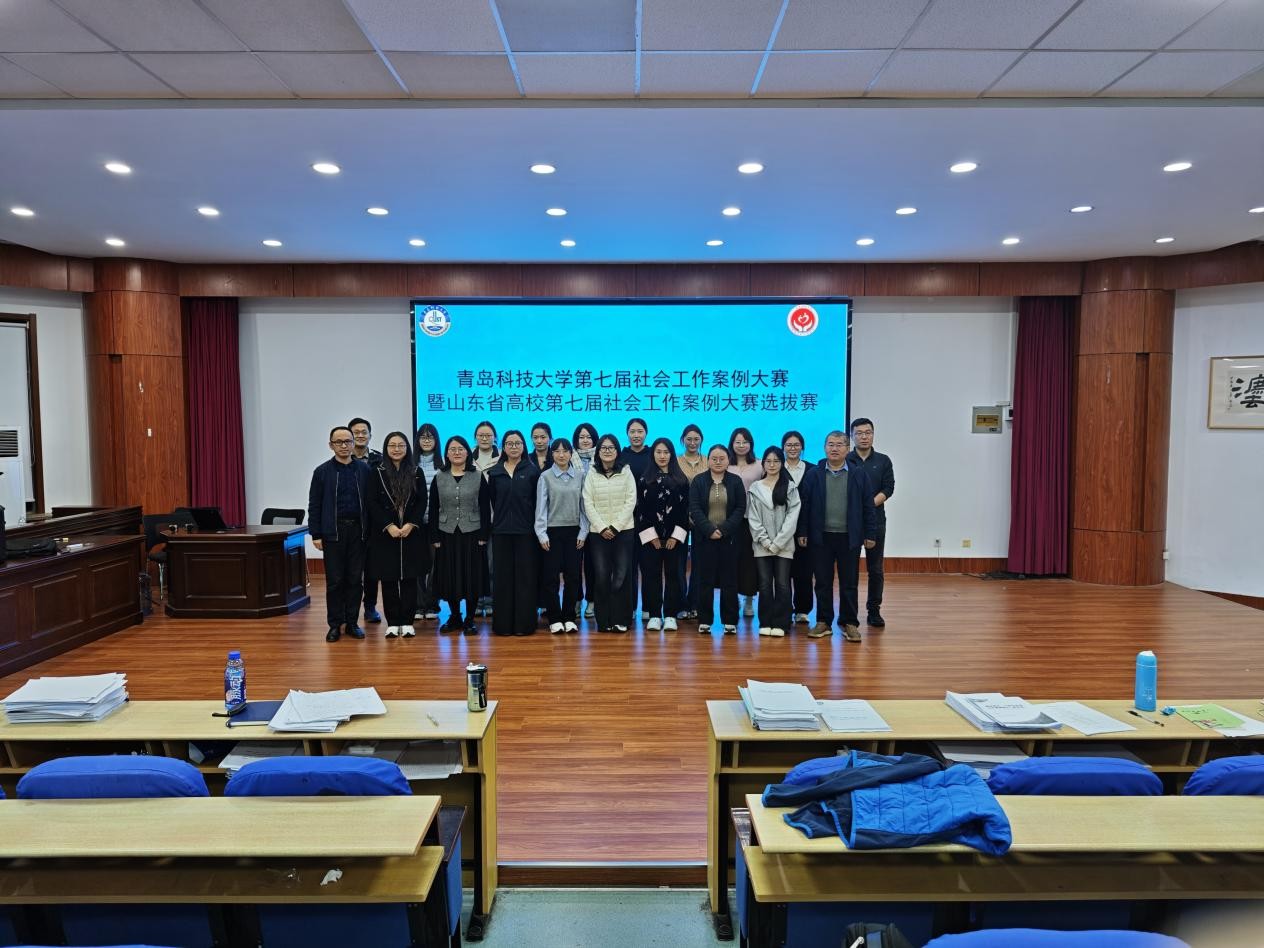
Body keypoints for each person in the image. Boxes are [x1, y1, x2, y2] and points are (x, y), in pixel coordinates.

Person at [798, 431, 877, 642]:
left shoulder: (859, 474)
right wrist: (803, 531)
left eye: (839, 445)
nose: (835, 448)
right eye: (831, 444)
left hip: (849, 537)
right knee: (822, 582)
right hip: (820, 537)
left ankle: (849, 622)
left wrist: (870, 533)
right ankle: (823, 621)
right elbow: (805, 505)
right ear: (824, 448)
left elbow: (868, 507)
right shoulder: (814, 474)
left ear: (847, 449)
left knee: (849, 582)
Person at [307, 426, 370, 642]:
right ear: (331, 445)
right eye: (339, 442)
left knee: (355, 579)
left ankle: (352, 622)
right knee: (335, 581)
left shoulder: (364, 470)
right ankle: (335, 624)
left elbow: (371, 503)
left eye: (348, 441)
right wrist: (315, 533)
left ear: (353, 444)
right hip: (332, 532)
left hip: (359, 531)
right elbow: (314, 505)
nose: (344, 446)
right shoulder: (322, 472)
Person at [366, 431, 429, 638]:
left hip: (411, 532)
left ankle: (407, 621)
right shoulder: (376, 472)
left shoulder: (416, 471)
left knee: (410, 578)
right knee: (389, 579)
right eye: (392, 445)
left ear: (407, 448)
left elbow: (422, 501)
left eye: (401, 445)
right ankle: (393, 622)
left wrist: (411, 524)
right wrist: (388, 525)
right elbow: (372, 502)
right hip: (386, 534)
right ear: (386, 448)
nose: (396, 449)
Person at [429, 435, 489, 635]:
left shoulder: (477, 476)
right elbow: (434, 507)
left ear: (467, 452)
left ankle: (470, 619)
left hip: (472, 534)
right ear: (446, 454)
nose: (456, 452)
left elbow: (484, 507)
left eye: (461, 449)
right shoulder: (439, 476)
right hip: (446, 534)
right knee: (449, 576)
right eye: (452, 449)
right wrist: (434, 536)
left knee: (471, 576)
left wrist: (484, 534)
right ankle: (455, 616)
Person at [486, 430, 541, 636]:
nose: (514, 447)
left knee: (525, 578)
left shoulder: (532, 471)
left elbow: (537, 502)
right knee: (502, 578)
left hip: (526, 532)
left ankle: (524, 625)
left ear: (524, 446)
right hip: (501, 531)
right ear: (503, 447)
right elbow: (493, 500)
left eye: (518, 443)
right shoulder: (495, 472)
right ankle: (503, 625)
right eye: (510, 443)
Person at [688, 444, 746, 634]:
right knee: (705, 581)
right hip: (704, 539)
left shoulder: (735, 481)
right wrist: (709, 530)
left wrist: (724, 530)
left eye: (722, 458)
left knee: (730, 581)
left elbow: (740, 508)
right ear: (708, 460)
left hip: (729, 539)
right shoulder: (699, 481)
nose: (718, 462)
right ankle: (705, 620)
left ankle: (730, 621)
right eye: (714, 458)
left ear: (728, 460)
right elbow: (695, 508)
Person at [581, 434, 637, 633]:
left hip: (624, 531)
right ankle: (604, 620)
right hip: (598, 533)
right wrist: (602, 527)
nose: (607, 451)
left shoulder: (626, 472)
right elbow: (587, 502)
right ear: (598, 452)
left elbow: (631, 501)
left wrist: (615, 527)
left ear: (617, 451)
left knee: (622, 575)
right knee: (602, 576)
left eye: (611, 447)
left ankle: (621, 619)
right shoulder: (591, 473)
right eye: (603, 448)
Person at [636, 437, 689, 631]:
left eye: (666, 452)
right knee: (651, 576)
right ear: (653, 455)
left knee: (674, 575)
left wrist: (676, 536)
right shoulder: (644, 480)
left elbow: (686, 511)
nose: (662, 456)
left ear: (672, 455)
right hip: (651, 539)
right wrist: (651, 536)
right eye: (658, 452)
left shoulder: (681, 480)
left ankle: (671, 615)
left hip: (675, 539)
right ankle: (655, 615)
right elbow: (640, 511)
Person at [535, 437, 588, 634]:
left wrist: (584, 531)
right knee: (551, 578)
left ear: (571, 454)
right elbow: (541, 507)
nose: (561, 455)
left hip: (574, 532)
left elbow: (584, 507)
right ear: (552, 454)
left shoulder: (580, 476)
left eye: (565, 451)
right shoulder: (545, 477)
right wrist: (541, 534)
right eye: (557, 451)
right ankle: (555, 618)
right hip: (552, 532)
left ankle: (569, 617)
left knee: (573, 576)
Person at [747, 446, 801, 637]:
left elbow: (792, 517)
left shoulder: (790, 487)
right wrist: (764, 540)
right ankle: (765, 622)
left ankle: (781, 623)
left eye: (776, 461)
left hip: (784, 545)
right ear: (763, 464)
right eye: (768, 461)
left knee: (783, 584)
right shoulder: (755, 488)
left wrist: (778, 543)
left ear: (781, 463)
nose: (772, 465)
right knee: (764, 584)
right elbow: (753, 518)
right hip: (762, 545)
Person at [847, 417, 895, 628]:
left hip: (875, 521)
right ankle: (849, 613)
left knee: (875, 569)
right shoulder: (846, 460)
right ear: (852, 436)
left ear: (873, 435)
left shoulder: (883, 460)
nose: (864, 437)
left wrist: (867, 505)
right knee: (850, 569)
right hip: (850, 522)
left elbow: (889, 488)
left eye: (868, 433)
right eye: (859, 433)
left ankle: (874, 610)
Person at [349, 416, 384, 625]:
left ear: (370, 436)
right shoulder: (343, 459)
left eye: (364, 432)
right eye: (356, 432)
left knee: (371, 569)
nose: (360, 435)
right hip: (351, 521)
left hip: (374, 522)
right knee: (351, 570)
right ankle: (348, 609)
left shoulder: (379, 460)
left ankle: (370, 607)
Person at [781, 429, 814, 625]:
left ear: (802, 447)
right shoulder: (776, 468)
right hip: (781, 528)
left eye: (796, 445)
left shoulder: (813, 469)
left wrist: (805, 529)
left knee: (804, 571)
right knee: (783, 572)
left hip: (805, 528)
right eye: (789, 445)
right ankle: (785, 608)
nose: (792, 448)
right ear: (783, 447)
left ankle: (802, 610)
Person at [728, 426, 761, 618]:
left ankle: (749, 599)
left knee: (750, 561)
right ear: (732, 444)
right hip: (730, 520)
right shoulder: (726, 464)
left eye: (745, 442)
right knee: (732, 560)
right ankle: (733, 597)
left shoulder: (760, 465)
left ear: (751, 444)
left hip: (752, 519)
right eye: (737, 442)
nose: (741, 445)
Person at [414, 423, 443, 621]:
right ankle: (418, 605)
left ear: (436, 441)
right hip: (415, 523)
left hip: (437, 523)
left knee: (435, 566)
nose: (426, 440)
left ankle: (432, 603)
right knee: (416, 565)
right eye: (423, 437)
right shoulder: (410, 465)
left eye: (430, 437)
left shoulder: (443, 465)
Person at [676, 424, 705, 620]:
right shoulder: (676, 461)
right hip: (679, 518)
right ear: (683, 440)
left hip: (703, 518)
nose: (692, 442)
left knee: (700, 562)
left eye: (696, 439)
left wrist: (699, 516)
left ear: (701, 440)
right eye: (689, 439)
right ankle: (681, 605)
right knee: (678, 562)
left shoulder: (709, 460)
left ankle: (696, 603)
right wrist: (684, 514)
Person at [571, 421, 600, 619]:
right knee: (573, 564)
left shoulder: (602, 457)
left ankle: (592, 600)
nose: (585, 440)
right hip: (574, 518)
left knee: (593, 564)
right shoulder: (567, 457)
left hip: (596, 519)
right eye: (581, 437)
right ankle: (575, 599)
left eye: (589, 437)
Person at [471, 420, 499, 617]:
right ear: (475, 437)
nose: (484, 438)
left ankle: (490, 601)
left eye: (488, 435)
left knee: (492, 563)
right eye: (481, 435)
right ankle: (476, 601)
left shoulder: (502, 458)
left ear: (495, 438)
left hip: (495, 517)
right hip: (472, 518)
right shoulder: (467, 458)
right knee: (474, 563)